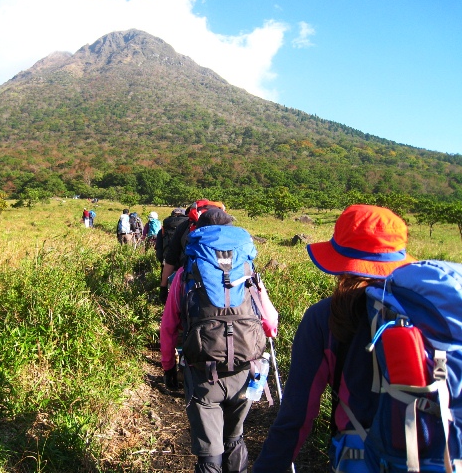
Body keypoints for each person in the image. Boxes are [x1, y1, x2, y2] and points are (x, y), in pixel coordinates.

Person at [252, 204, 416, 473]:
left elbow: (296, 416)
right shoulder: (433, 311)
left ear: (340, 259)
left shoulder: (324, 317)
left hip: (361, 458)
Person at [160, 207, 255, 473]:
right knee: (235, 437)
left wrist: (168, 367)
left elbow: (168, 328)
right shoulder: (248, 271)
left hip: (202, 370)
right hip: (244, 366)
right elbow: (270, 321)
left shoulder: (184, 274)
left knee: (210, 451)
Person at [159, 200, 225, 304]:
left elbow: (170, 259)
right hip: (224, 284)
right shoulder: (228, 229)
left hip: (189, 283)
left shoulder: (184, 227)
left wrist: (163, 286)